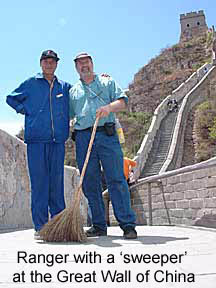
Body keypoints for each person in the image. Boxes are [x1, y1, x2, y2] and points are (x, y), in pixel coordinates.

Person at [69, 52, 137, 239]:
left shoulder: (107, 82)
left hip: (107, 134)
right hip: (83, 137)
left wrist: (108, 108)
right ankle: (98, 225)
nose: (84, 66)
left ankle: (128, 225)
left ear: (92, 64)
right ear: (76, 68)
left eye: (87, 62)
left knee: (116, 178)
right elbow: (68, 114)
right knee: (90, 182)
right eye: (80, 63)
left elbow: (123, 101)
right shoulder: (73, 92)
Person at [6, 50, 71, 239]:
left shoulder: (64, 87)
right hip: (36, 141)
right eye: (46, 61)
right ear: (41, 63)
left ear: (57, 64)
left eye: (53, 61)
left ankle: (59, 225)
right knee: (39, 183)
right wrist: (25, 110)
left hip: (57, 142)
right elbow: (11, 98)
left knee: (56, 185)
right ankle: (41, 227)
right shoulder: (31, 83)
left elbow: (79, 95)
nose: (49, 64)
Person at [103, 157, 137, 226]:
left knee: (104, 196)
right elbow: (135, 163)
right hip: (127, 183)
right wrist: (130, 170)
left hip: (119, 184)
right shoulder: (126, 159)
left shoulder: (112, 161)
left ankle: (105, 221)